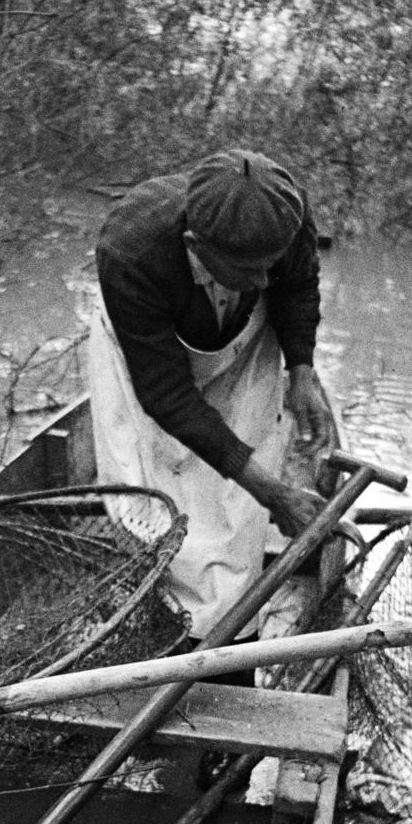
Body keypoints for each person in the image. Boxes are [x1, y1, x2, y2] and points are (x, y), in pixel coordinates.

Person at [87, 148, 339, 643]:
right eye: (251, 269)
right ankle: (160, 614)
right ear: (195, 245)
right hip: (146, 347)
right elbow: (165, 394)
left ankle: (229, 631)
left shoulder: (283, 212)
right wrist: (274, 492)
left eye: (271, 264)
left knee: (239, 486)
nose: (266, 280)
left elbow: (296, 285)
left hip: (241, 333)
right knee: (148, 481)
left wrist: (302, 370)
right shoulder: (129, 255)